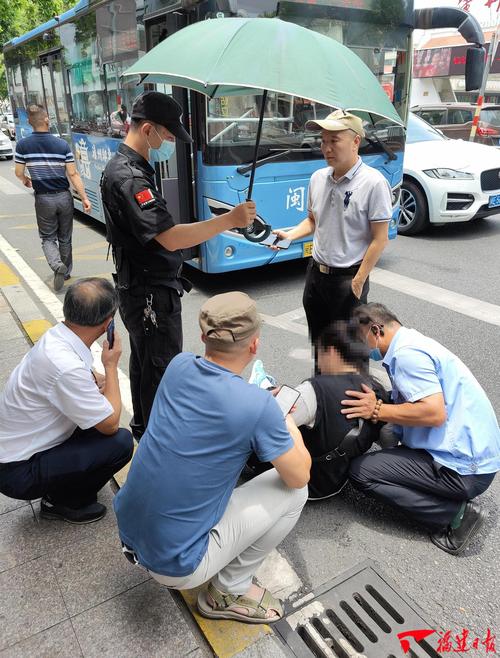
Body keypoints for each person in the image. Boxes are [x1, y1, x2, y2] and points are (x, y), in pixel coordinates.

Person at [114, 292, 310, 623]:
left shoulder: (178, 366)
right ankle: (227, 592)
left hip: (130, 533)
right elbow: (299, 475)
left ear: (203, 336)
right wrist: (285, 421)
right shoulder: (258, 406)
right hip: (175, 566)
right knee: (295, 494)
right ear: (254, 346)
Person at [101, 91, 256, 440]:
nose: (169, 143)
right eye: (168, 136)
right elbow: (168, 237)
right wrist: (229, 220)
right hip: (150, 294)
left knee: (144, 363)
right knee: (161, 370)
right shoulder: (130, 178)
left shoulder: (131, 167)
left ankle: (142, 430)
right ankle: (160, 444)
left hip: (138, 288)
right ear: (147, 129)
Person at [342, 303, 500, 555]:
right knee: (389, 428)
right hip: (477, 456)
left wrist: (377, 410)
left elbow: (433, 413)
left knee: (362, 472)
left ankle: (456, 516)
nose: (361, 349)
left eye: (360, 340)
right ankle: (437, 489)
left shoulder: (406, 356)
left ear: (375, 330)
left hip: (467, 469)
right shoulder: (412, 342)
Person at [0, 278, 133, 524]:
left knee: (99, 421)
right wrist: (111, 365)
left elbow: (88, 377)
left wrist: (100, 380)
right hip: (17, 471)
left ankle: (66, 482)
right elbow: (110, 424)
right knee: (120, 442)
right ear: (108, 323)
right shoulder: (65, 366)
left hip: (16, 449)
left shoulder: (57, 337)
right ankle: (61, 501)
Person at [273, 110, 392, 343]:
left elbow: (380, 238)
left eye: (334, 141)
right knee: (321, 348)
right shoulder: (317, 178)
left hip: (348, 279)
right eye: (323, 141)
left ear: (356, 141)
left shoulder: (374, 183)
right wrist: (289, 236)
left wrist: (358, 281)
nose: (327, 148)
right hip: (315, 276)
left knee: (350, 355)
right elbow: (313, 220)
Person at [246, 321, 389, 500]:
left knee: (265, 412)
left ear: (330, 350)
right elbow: (387, 437)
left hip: (302, 484)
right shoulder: (376, 393)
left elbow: (266, 427)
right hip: (335, 481)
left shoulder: (315, 390)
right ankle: (265, 387)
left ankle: (261, 387)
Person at [15, 104, 92, 291]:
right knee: (65, 237)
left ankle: (57, 265)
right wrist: (84, 198)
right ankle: (65, 272)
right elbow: (73, 174)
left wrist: (26, 179)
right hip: (64, 197)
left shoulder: (23, 145)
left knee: (48, 238)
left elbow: (18, 172)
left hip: (43, 199)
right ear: (47, 120)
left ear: (30, 122)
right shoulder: (62, 145)